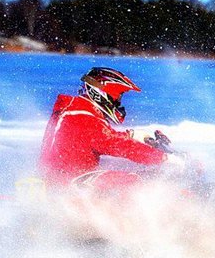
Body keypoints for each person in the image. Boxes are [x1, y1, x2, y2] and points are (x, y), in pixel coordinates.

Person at [38, 67, 180, 189]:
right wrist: (164, 158)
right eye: (118, 97)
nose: (119, 103)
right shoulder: (83, 116)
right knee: (139, 181)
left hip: (59, 180)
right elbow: (119, 146)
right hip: (68, 184)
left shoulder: (74, 111)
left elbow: (100, 136)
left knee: (128, 171)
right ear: (103, 94)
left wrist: (133, 135)